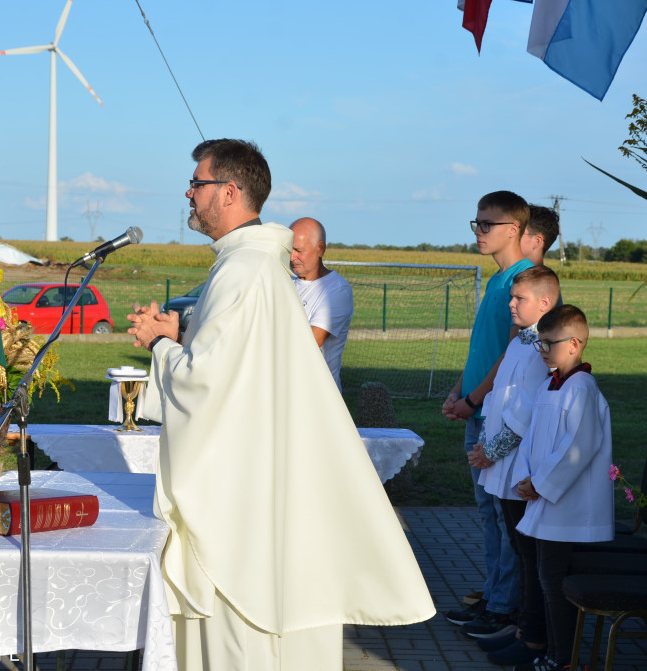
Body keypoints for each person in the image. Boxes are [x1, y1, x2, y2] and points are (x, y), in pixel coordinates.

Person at [126, 138, 433, 671]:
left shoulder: (244, 271)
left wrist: (159, 345)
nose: (188, 194)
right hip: (261, 466)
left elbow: (206, 384)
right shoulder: (254, 267)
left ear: (229, 191)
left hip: (238, 493)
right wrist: (181, 331)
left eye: (196, 184)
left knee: (242, 631)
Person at [442, 191, 533, 638]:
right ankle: (494, 597)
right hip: (479, 409)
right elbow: (482, 348)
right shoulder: (497, 279)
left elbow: (512, 356)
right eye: (475, 223)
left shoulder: (524, 280)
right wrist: (459, 389)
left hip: (495, 415)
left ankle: (505, 608)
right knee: (486, 511)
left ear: (513, 229)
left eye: (486, 224)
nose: (478, 232)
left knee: (502, 513)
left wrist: (474, 400)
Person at [510, 304, 614, 671]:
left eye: (547, 345)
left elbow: (578, 448)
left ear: (573, 344)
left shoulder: (582, 389)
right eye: (539, 345)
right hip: (545, 499)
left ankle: (562, 660)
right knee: (547, 581)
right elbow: (531, 438)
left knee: (554, 585)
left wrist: (540, 483)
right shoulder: (551, 386)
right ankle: (553, 654)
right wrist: (526, 478)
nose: (542, 352)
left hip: (568, 507)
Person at [466, 266, 561, 666]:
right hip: (502, 460)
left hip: (520, 464)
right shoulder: (521, 342)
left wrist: (493, 449)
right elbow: (498, 400)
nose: (510, 304)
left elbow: (525, 411)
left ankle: (534, 637)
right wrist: (486, 441)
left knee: (529, 555)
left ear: (544, 303)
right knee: (521, 553)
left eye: (518, 298)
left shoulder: (544, 346)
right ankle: (524, 629)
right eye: (511, 297)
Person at [289, 217, 354, 391]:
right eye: (289, 249)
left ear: (320, 249)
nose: (292, 256)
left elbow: (307, 344)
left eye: (298, 250)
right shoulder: (284, 283)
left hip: (318, 399)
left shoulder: (336, 291)